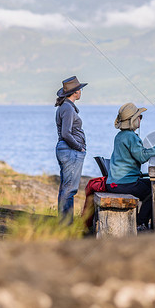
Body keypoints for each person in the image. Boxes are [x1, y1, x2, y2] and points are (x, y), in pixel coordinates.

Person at [106, 103, 155, 231]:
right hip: (125, 183)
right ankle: (140, 223)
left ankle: (143, 222)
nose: (141, 119)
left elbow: (139, 154)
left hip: (115, 182)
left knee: (152, 185)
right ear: (134, 120)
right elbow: (142, 157)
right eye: (140, 117)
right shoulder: (130, 137)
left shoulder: (120, 136)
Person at [55, 76, 88, 224]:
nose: (81, 91)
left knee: (66, 188)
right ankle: (66, 225)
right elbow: (66, 133)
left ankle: (64, 223)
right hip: (70, 151)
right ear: (75, 92)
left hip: (67, 150)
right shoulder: (68, 108)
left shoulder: (66, 106)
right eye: (79, 89)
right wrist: (79, 147)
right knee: (69, 190)